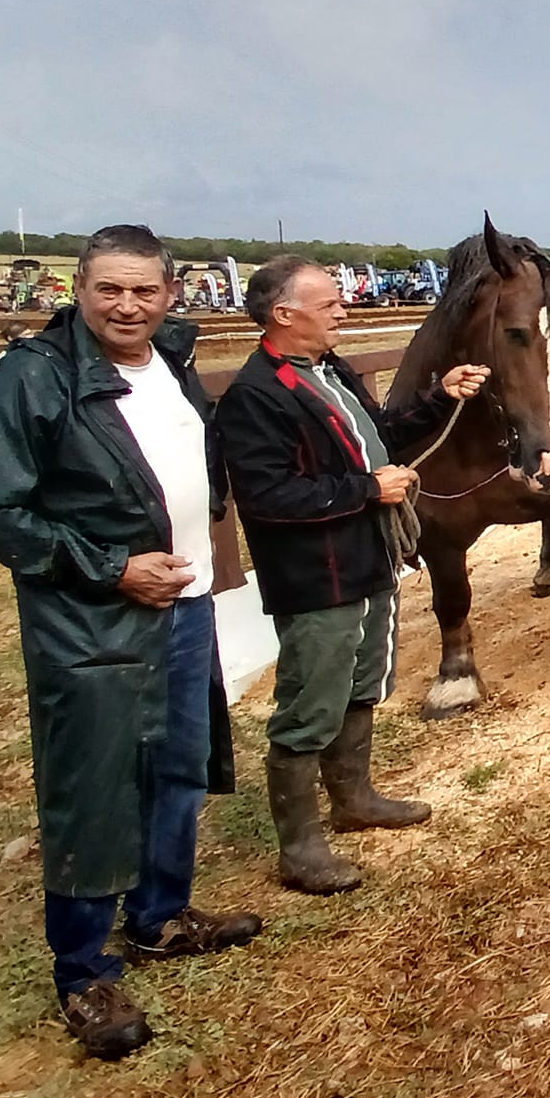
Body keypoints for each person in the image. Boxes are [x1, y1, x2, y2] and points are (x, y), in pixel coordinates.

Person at [0, 225, 263, 1061]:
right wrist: (109, 567)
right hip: (93, 618)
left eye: (143, 290)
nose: (126, 306)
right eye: (108, 290)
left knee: (177, 766)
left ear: (171, 293)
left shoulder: (169, 358)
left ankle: (161, 915)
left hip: (186, 605)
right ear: (79, 291)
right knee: (94, 784)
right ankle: (84, 969)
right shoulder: (36, 376)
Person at [215, 256, 488, 894]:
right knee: (311, 700)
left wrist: (436, 397)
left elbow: (380, 433)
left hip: (366, 562)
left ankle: (355, 797)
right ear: (285, 315)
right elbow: (269, 496)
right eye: (331, 303)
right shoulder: (256, 397)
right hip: (316, 577)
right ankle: (301, 846)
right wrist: (368, 490)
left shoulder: (328, 371)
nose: (344, 310)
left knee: (362, 682)